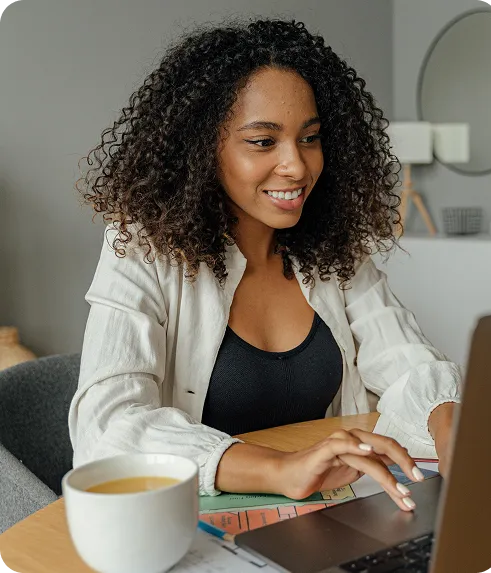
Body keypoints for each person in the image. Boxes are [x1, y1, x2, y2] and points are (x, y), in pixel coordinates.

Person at [69, 19, 461, 512]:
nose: (296, 166)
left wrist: (455, 434)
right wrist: (280, 469)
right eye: (262, 142)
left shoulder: (332, 248)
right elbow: (107, 425)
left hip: (327, 514)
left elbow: (408, 363)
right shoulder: (144, 248)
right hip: (189, 526)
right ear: (203, 149)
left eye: (311, 138)